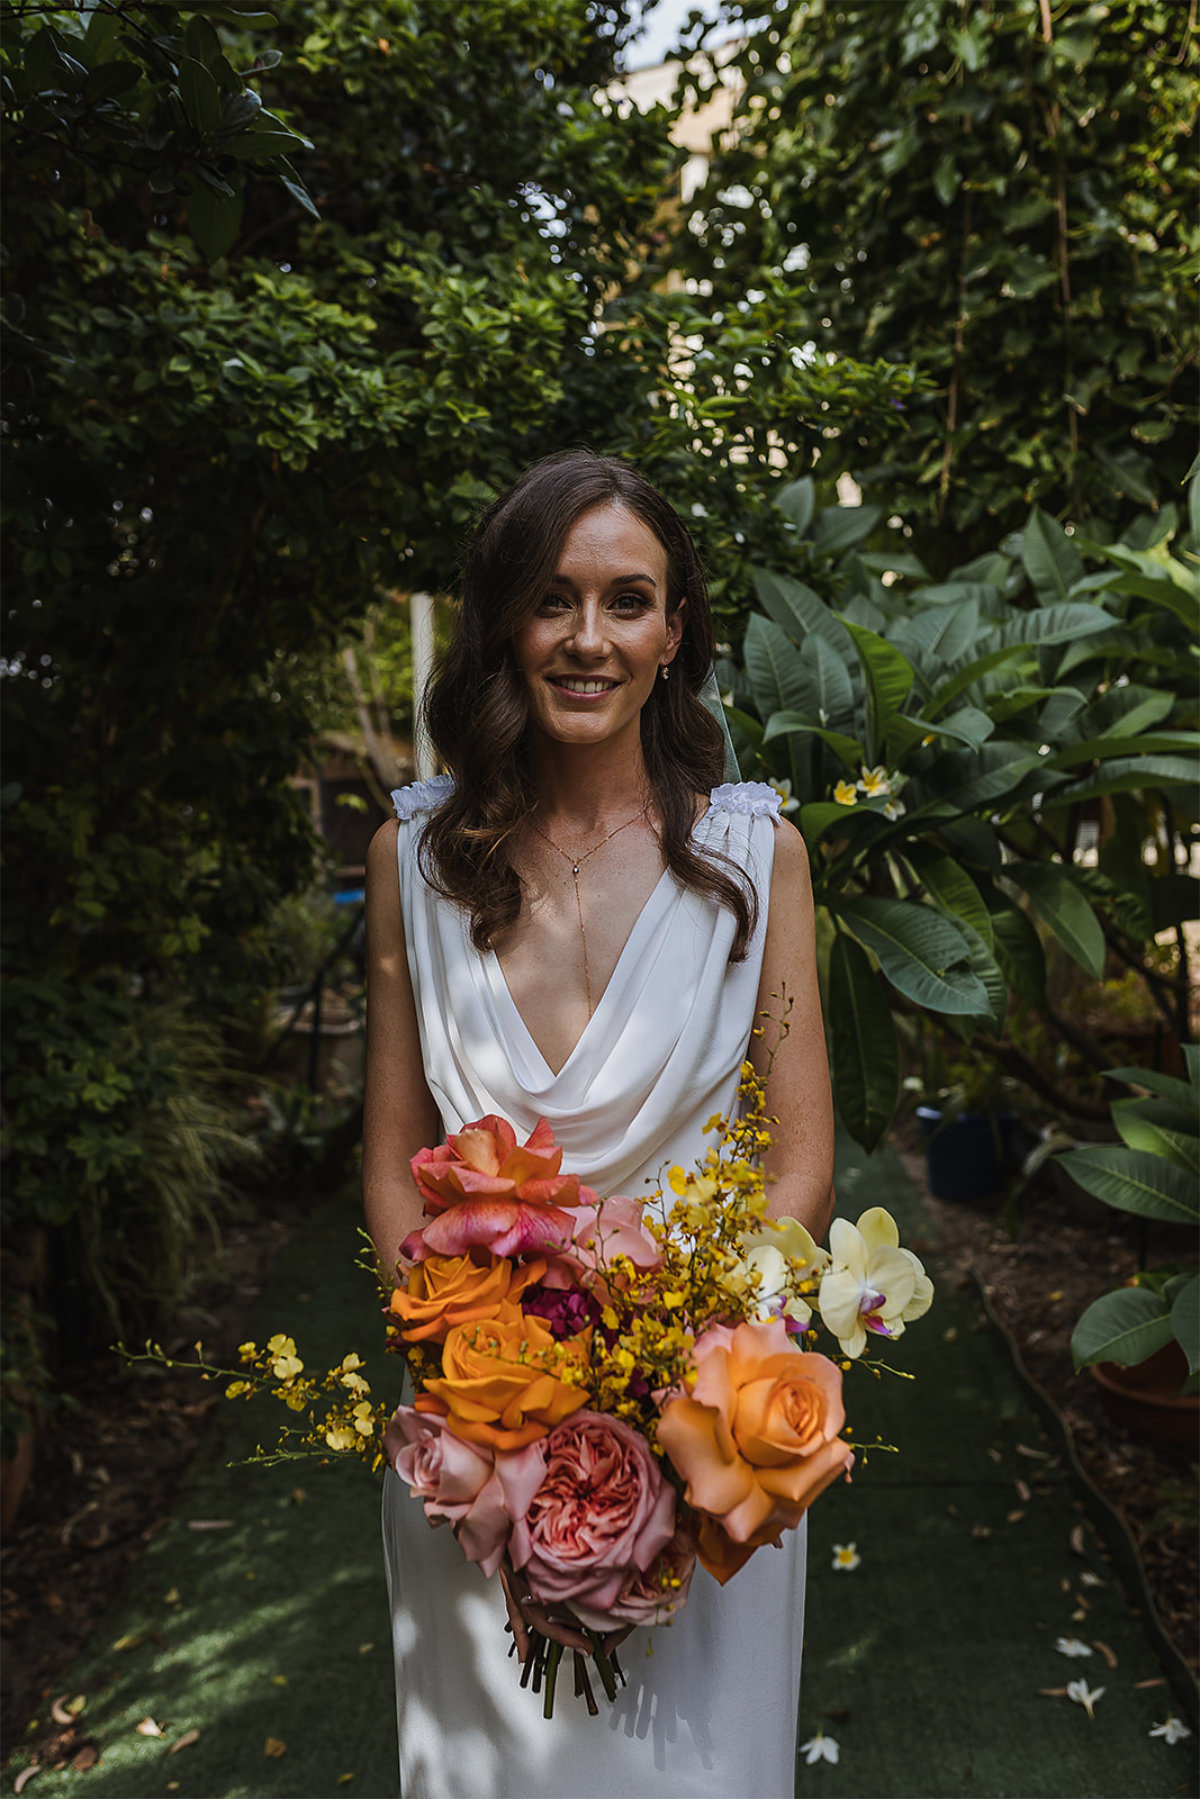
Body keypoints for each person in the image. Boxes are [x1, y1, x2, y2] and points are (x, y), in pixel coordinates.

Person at [363, 449, 835, 1799]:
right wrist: (477, 1374)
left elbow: (799, 1158)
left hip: (703, 1427)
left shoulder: (759, 858)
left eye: (628, 601)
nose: (588, 639)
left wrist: (677, 1377)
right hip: (476, 1427)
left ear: (676, 630)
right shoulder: (417, 861)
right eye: (554, 599)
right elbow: (394, 1149)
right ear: (507, 619)